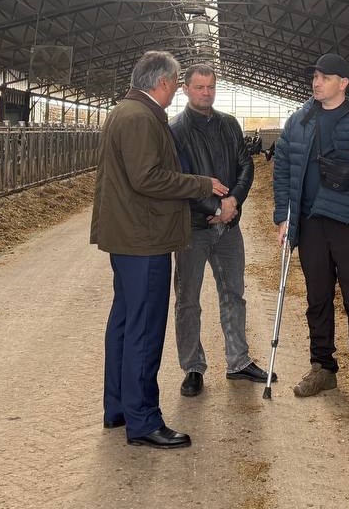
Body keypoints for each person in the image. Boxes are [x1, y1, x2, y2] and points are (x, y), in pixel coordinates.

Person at [90, 50, 228, 449]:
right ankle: (143, 419)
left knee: (125, 322)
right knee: (145, 328)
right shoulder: (140, 117)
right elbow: (147, 178)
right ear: (163, 82)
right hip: (143, 238)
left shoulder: (128, 111)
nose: (176, 88)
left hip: (131, 236)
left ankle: (119, 407)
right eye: (177, 81)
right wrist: (201, 184)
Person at [272, 53, 349, 410]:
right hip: (310, 223)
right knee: (318, 298)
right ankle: (322, 366)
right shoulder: (299, 120)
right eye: (315, 76)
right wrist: (284, 217)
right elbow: (282, 167)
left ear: (343, 83)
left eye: (325, 77)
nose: (317, 82)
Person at [169, 63, 274, 397]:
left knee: (234, 293)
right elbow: (181, 179)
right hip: (193, 228)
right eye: (199, 87)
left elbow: (246, 165)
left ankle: (238, 361)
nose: (206, 93)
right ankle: (193, 367)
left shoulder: (230, 124)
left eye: (211, 87)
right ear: (185, 89)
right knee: (188, 299)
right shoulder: (175, 130)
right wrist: (215, 208)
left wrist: (233, 203)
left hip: (229, 227)